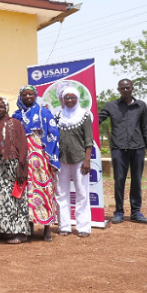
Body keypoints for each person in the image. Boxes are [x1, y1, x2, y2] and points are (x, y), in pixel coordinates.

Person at [98, 79, 147, 224]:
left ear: (132, 88)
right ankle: (118, 212)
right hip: (118, 149)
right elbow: (96, 120)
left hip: (138, 149)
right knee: (119, 180)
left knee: (136, 180)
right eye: (122, 88)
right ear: (118, 90)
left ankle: (136, 212)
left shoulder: (141, 106)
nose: (125, 90)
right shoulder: (111, 106)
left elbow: (146, 128)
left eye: (127, 87)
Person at [13, 85, 60, 242]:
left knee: (44, 190)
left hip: (40, 157)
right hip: (23, 157)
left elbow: (53, 133)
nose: (28, 97)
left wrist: (51, 156)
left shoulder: (43, 112)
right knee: (26, 193)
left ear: (35, 95)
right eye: (25, 94)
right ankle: (29, 225)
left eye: (30, 94)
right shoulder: (17, 115)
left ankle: (47, 229)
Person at [0, 97, 29, 244]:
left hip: (12, 166)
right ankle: (0, 230)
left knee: (15, 199)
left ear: (6, 108)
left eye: (1, 107)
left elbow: (23, 147)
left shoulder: (15, 124)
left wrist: (21, 168)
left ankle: (19, 232)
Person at [55, 88, 93, 237]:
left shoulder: (84, 116)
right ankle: (64, 225)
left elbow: (89, 140)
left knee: (82, 193)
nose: (69, 100)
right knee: (61, 192)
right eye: (67, 98)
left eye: (72, 98)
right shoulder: (58, 116)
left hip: (80, 160)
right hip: (61, 159)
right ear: (62, 100)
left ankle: (83, 226)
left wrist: (87, 160)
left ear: (77, 99)